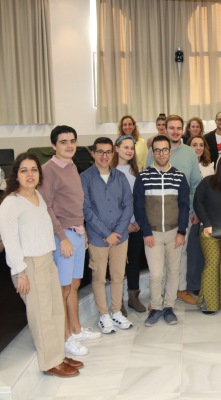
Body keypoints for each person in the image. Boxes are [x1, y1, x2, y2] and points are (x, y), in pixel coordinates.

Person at [0, 153, 82, 378]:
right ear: (16, 175)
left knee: (55, 312)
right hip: (29, 266)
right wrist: (20, 272)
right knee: (42, 315)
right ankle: (50, 363)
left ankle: (59, 355)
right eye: (24, 170)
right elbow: (10, 241)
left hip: (47, 261)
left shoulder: (38, 196)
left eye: (34, 169)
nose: (30, 174)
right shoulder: (11, 203)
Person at [38, 125, 102, 357]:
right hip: (62, 237)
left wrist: (82, 230)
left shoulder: (72, 165)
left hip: (77, 234)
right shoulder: (49, 170)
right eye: (63, 141)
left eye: (72, 141)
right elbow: (47, 207)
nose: (69, 145)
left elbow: (74, 203)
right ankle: (65, 337)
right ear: (54, 146)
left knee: (74, 285)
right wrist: (62, 237)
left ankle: (75, 329)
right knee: (63, 288)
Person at [134, 136, 190, 326]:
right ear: (152, 153)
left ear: (170, 151)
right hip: (153, 235)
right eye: (157, 150)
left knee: (174, 272)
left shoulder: (179, 177)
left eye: (164, 149)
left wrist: (182, 231)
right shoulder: (143, 177)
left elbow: (184, 205)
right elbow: (139, 207)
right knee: (156, 274)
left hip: (175, 233)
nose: (161, 153)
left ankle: (169, 307)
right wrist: (147, 232)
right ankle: (156, 308)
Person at [146, 115, 202, 305]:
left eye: (179, 128)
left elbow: (195, 184)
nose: (175, 132)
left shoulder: (189, 153)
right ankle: (158, 294)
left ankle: (181, 289)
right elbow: (147, 182)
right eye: (172, 128)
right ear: (165, 129)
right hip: (157, 216)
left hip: (182, 212)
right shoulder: (153, 151)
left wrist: (194, 210)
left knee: (181, 252)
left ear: (183, 129)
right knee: (158, 257)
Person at [81, 137, 134, 333]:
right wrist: (106, 234)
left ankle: (116, 312)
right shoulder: (85, 178)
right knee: (99, 278)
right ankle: (104, 315)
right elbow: (86, 210)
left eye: (108, 152)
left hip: (120, 237)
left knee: (118, 276)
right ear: (93, 153)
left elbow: (128, 205)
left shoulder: (120, 177)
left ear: (113, 154)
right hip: (98, 237)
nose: (104, 156)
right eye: (100, 152)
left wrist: (117, 233)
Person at [193, 154, 221, 315]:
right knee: (212, 265)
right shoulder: (208, 182)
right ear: (219, 167)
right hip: (209, 231)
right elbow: (198, 202)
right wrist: (207, 222)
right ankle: (209, 303)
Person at [112, 135, 146, 314]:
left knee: (134, 261)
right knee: (118, 264)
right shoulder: (110, 171)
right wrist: (125, 225)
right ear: (116, 149)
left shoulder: (136, 172)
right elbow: (112, 203)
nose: (129, 151)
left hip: (136, 225)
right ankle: (118, 302)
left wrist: (137, 221)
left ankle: (133, 297)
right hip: (119, 226)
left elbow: (138, 199)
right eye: (125, 147)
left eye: (131, 148)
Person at [186, 135, 215, 295]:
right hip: (191, 213)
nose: (198, 148)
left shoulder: (210, 166)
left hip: (207, 214)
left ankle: (205, 283)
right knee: (192, 251)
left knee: (203, 251)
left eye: (201, 145)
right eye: (194, 144)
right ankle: (193, 284)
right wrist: (194, 211)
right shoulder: (186, 164)